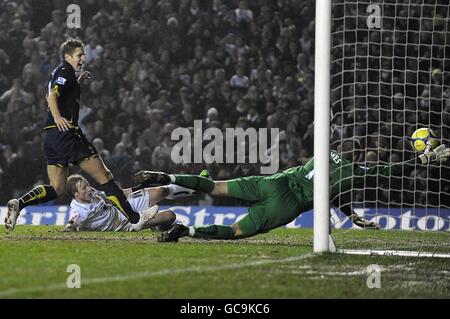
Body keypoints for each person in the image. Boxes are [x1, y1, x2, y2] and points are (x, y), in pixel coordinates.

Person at [133, 139, 450, 242]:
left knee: (214, 186)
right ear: (359, 158)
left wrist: (350, 213)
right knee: (234, 230)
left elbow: (331, 190)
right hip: (288, 204)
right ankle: (185, 231)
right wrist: (422, 158)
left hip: (275, 181)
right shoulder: (356, 171)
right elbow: (388, 171)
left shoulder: (324, 152)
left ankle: (165, 176)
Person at [4, 39, 155, 232]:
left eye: (83, 55)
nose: (83, 58)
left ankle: (19, 204)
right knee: (105, 177)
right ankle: (135, 219)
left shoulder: (64, 74)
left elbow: (54, 92)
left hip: (51, 137)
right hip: (67, 135)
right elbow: (51, 96)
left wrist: (77, 82)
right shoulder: (65, 71)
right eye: (79, 55)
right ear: (67, 57)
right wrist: (59, 117)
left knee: (57, 188)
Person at [64, 174, 194, 232]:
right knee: (170, 216)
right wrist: (72, 229)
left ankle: (194, 187)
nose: (89, 188)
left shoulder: (90, 193)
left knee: (161, 191)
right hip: (125, 223)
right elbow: (71, 224)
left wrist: (139, 187)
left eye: (87, 185)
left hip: (125, 207)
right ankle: (159, 225)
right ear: (76, 195)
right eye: (84, 187)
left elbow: (114, 195)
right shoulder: (79, 210)